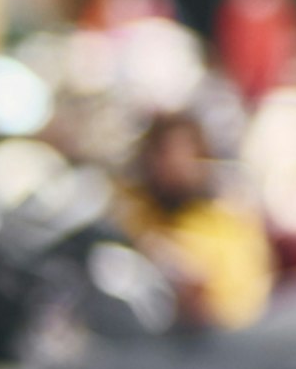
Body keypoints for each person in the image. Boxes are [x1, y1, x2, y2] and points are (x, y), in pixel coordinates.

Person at [117, 104, 273, 332]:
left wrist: (200, 295)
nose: (173, 166)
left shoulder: (225, 221)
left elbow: (243, 304)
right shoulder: (133, 210)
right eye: (163, 155)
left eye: (183, 154)